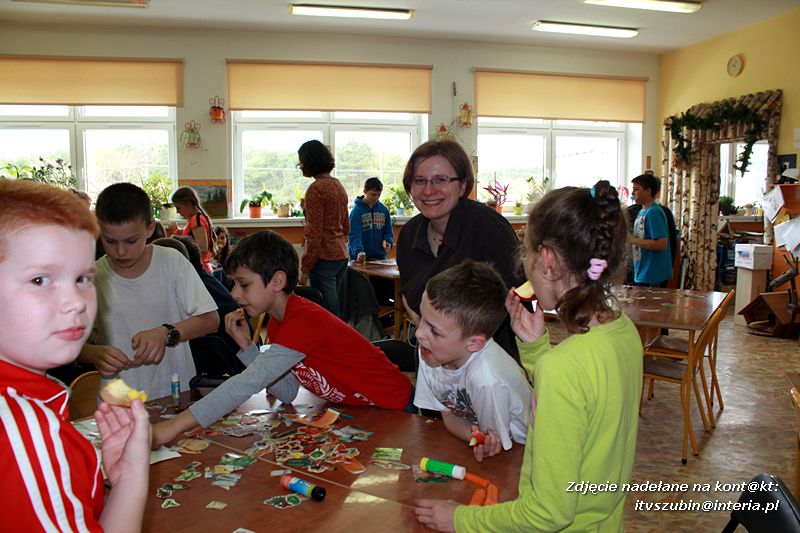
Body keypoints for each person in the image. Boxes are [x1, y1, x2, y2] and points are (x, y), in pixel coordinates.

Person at [414, 180, 643, 532]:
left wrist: (459, 519)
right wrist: (536, 350)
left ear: (547, 259)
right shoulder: (623, 331)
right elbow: (584, 407)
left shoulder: (564, 367)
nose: (525, 262)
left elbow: (548, 513)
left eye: (527, 252)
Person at [151, 230, 414, 446]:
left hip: (398, 410)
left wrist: (172, 427)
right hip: (363, 414)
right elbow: (286, 392)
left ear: (277, 281)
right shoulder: (278, 324)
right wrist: (246, 345)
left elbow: (246, 384)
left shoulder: (303, 320)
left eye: (243, 284)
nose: (234, 294)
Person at [0, 179, 150, 532]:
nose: (76, 302)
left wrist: (128, 476)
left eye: (83, 278)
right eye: (40, 280)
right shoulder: (22, 427)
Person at [77, 182, 219, 399]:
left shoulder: (171, 262)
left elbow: (210, 319)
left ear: (150, 229)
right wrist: (95, 353)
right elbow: (74, 344)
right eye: (110, 241)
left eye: (131, 241)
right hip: (119, 399)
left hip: (174, 393)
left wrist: (166, 333)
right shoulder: (93, 277)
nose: (121, 251)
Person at [396, 138, 521, 360]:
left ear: (463, 185)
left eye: (440, 180)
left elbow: (517, 297)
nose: (428, 190)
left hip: (489, 362)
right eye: (420, 180)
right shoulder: (408, 235)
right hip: (433, 359)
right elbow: (410, 297)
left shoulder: (488, 228)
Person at [413, 260, 531, 463]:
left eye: (435, 331)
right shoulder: (430, 351)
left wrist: (481, 440)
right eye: (423, 319)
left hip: (525, 453)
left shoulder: (486, 379)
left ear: (474, 344)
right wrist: (474, 437)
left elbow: (498, 445)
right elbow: (449, 416)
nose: (419, 333)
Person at [297, 140, 349, 317]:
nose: (300, 166)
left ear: (309, 162)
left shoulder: (315, 190)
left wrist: (305, 268)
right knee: (335, 309)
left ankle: (334, 344)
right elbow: (346, 225)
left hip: (325, 257)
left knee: (328, 314)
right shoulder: (338, 185)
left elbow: (314, 234)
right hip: (341, 255)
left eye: (301, 161)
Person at [629, 173, 672, 287]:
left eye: (636, 189)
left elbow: (661, 244)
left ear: (648, 191)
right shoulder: (640, 212)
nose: (633, 193)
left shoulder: (654, 213)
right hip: (642, 271)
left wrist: (633, 240)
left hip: (653, 274)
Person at [167, 186, 217, 273]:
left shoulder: (196, 220)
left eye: (179, 208)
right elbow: (191, 236)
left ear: (188, 204)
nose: (178, 212)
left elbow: (202, 248)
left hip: (199, 269)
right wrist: (178, 231)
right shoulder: (195, 219)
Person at [349, 176, 394, 262]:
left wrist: (388, 241)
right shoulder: (356, 211)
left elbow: (388, 231)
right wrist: (358, 251)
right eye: (373, 194)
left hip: (379, 257)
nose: (376, 197)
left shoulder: (384, 210)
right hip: (360, 257)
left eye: (379, 194)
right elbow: (354, 235)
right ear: (365, 191)